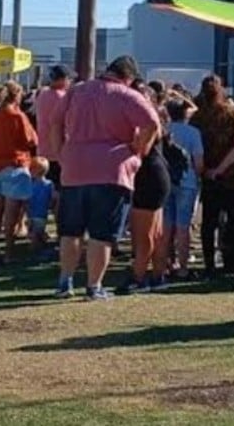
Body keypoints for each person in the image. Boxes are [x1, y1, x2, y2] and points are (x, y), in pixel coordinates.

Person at [50, 56, 160, 300]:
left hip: (75, 167)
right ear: (128, 77)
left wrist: (60, 153)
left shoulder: (77, 90)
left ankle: (64, 282)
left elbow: (55, 122)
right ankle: (93, 286)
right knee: (102, 234)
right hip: (112, 169)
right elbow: (152, 123)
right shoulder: (127, 95)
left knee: (71, 231)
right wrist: (138, 149)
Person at [189, 74, 234, 278]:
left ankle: (209, 264)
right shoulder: (233, 114)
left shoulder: (197, 117)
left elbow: (194, 148)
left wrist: (209, 170)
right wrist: (222, 169)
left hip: (208, 176)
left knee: (209, 222)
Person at [117, 78, 172, 294]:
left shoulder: (147, 123)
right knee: (156, 233)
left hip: (149, 177)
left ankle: (138, 278)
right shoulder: (156, 118)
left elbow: (141, 149)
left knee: (143, 234)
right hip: (157, 175)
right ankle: (158, 275)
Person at [0, 81, 38, 264]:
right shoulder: (17, 115)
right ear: (17, 95)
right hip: (14, 163)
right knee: (11, 211)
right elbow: (31, 140)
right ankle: (9, 251)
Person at [163, 98, 204, 279]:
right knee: (183, 226)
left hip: (165, 180)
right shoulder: (193, 132)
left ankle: (164, 263)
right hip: (187, 181)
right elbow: (199, 161)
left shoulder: (164, 131)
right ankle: (183, 266)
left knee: (166, 225)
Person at [34, 65, 74, 189]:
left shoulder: (43, 95)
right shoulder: (62, 97)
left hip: (43, 149)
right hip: (58, 151)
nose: (70, 82)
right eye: (69, 79)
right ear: (63, 79)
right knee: (59, 191)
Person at [27, 156, 57, 261]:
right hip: (40, 213)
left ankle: (37, 249)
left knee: (34, 232)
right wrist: (50, 204)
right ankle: (41, 243)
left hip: (34, 213)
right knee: (36, 231)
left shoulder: (30, 184)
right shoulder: (49, 184)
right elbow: (53, 198)